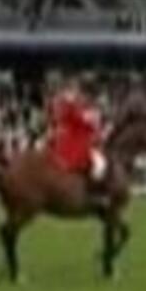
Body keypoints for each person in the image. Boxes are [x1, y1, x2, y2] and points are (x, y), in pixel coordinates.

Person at [47, 73, 108, 203]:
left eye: (77, 89)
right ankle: (95, 195)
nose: (76, 92)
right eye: (74, 88)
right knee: (100, 164)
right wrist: (94, 118)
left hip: (68, 140)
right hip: (75, 142)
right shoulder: (69, 103)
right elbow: (80, 119)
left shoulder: (67, 102)